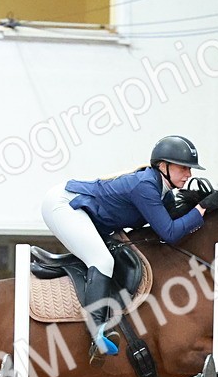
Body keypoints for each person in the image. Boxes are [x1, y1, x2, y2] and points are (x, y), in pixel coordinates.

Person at [41, 135, 207, 356]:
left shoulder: (163, 192)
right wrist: (202, 210)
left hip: (82, 210)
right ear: (163, 166)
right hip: (63, 205)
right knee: (102, 260)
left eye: (190, 169)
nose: (189, 174)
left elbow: (171, 225)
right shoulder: (145, 186)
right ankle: (97, 331)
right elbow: (170, 233)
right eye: (183, 168)